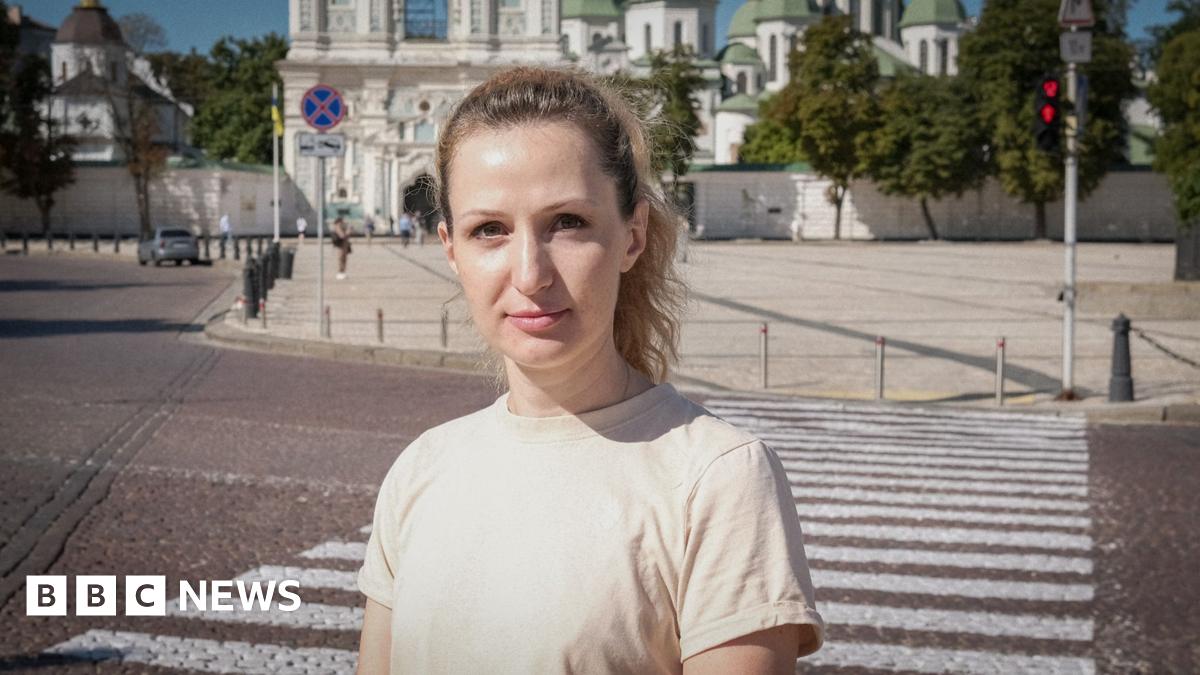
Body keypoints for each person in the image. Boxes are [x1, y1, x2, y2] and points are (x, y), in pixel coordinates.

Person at [355, 68, 824, 674]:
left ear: (633, 236)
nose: (531, 274)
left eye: (568, 223)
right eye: (489, 230)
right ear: (451, 249)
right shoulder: (421, 469)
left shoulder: (717, 480)